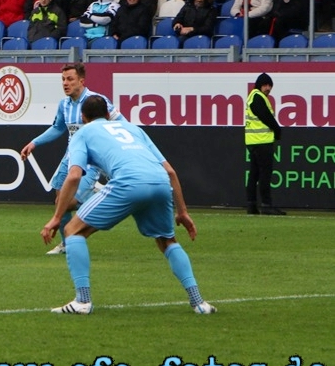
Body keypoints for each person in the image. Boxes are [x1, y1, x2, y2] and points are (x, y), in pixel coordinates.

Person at [40, 95, 216, 315]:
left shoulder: (83, 133)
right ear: (107, 114)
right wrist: (182, 212)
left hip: (128, 182)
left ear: (83, 118)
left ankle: (82, 301)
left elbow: (74, 175)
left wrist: (57, 217)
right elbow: (170, 171)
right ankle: (199, 302)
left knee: (72, 230)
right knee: (167, 240)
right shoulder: (131, 128)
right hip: (159, 182)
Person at [20, 63, 120, 255]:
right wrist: (34, 143)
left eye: (70, 79)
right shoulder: (64, 104)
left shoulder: (96, 102)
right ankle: (67, 244)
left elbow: (120, 123)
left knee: (68, 202)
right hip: (70, 156)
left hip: (90, 160)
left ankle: (98, 196)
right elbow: (58, 128)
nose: (65, 83)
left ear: (81, 81)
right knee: (60, 200)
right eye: (63, 79)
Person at [245, 73, 284, 216]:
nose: (268, 88)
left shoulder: (253, 96)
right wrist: (277, 129)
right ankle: (266, 205)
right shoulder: (258, 97)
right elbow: (266, 116)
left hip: (253, 141)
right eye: (265, 85)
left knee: (254, 174)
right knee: (265, 175)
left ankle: (251, 205)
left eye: (270, 86)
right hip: (262, 141)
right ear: (259, 85)